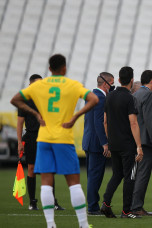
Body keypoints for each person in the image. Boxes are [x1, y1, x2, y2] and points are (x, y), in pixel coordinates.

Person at [11, 54, 98, 228]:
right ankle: (83, 224)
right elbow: (93, 99)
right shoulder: (73, 85)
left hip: (43, 139)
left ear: (49, 69)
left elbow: (15, 99)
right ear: (64, 68)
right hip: (63, 139)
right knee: (73, 182)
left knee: (46, 183)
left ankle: (50, 224)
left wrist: (35, 114)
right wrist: (75, 117)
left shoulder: (39, 86)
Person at [100, 66, 144, 219]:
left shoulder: (109, 96)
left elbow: (105, 122)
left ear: (118, 80)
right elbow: (133, 123)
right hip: (127, 145)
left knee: (116, 174)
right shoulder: (130, 98)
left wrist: (109, 140)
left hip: (114, 143)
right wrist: (139, 146)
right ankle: (126, 211)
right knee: (129, 177)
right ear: (132, 80)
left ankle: (106, 203)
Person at [17, 74, 64, 211]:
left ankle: (53, 201)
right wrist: (20, 142)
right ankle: (32, 202)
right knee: (31, 169)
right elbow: (20, 123)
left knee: (49, 170)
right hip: (31, 138)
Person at [82, 72, 114, 215]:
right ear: (105, 84)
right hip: (96, 143)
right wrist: (104, 143)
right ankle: (93, 207)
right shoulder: (101, 98)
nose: (113, 86)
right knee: (95, 176)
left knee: (91, 175)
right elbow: (99, 122)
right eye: (111, 83)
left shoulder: (90, 96)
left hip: (89, 140)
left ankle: (92, 204)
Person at [131, 70, 152, 216]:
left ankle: (131, 204)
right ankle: (137, 207)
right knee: (143, 174)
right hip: (145, 141)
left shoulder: (135, 94)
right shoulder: (148, 94)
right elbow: (149, 119)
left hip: (135, 140)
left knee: (134, 174)